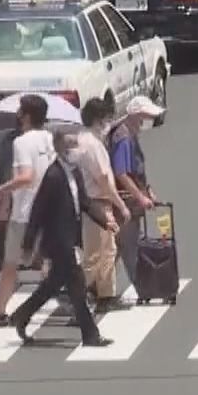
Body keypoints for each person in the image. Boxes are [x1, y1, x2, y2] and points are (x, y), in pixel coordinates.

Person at [9, 130, 113, 349]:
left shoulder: (74, 172)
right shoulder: (53, 176)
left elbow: (83, 202)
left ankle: (21, 315)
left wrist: (105, 221)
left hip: (71, 239)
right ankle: (91, 335)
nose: (77, 150)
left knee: (53, 285)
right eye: (72, 145)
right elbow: (37, 211)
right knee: (77, 286)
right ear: (61, 149)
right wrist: (28, 244)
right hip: (59, 243)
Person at [0, 94, 56, 329]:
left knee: (10, 264)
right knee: (47, 260)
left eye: (20, 111)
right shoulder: (49, 139)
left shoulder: (21, 142)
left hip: (26, 212)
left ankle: (0, 312)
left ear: (25, 116)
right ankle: (67, 301)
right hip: (49, 208)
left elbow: (26, 177)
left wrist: (3, 189)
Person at [75, 98, 130, 307]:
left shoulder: (86, 141)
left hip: (97, 202)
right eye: (106, 119)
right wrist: (121, 205)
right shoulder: (91, 145)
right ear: (98, 120)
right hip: (96, 203)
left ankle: (106, 296)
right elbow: (103, 179)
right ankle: (79, 298)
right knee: (94, 255)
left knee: (108, 250)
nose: (107, 123)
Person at [109, 95, 164, 289]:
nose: (146, 121)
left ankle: (96, 289)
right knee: (129, 246)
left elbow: (136, 170)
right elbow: (121, 173)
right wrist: (141, 197)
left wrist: (147, 190)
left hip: (128, 200)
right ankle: (143, 287)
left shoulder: (130, 134)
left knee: (114, 249)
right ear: (135, 115)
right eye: (144, 116)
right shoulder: (123, 138)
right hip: (125, 201)